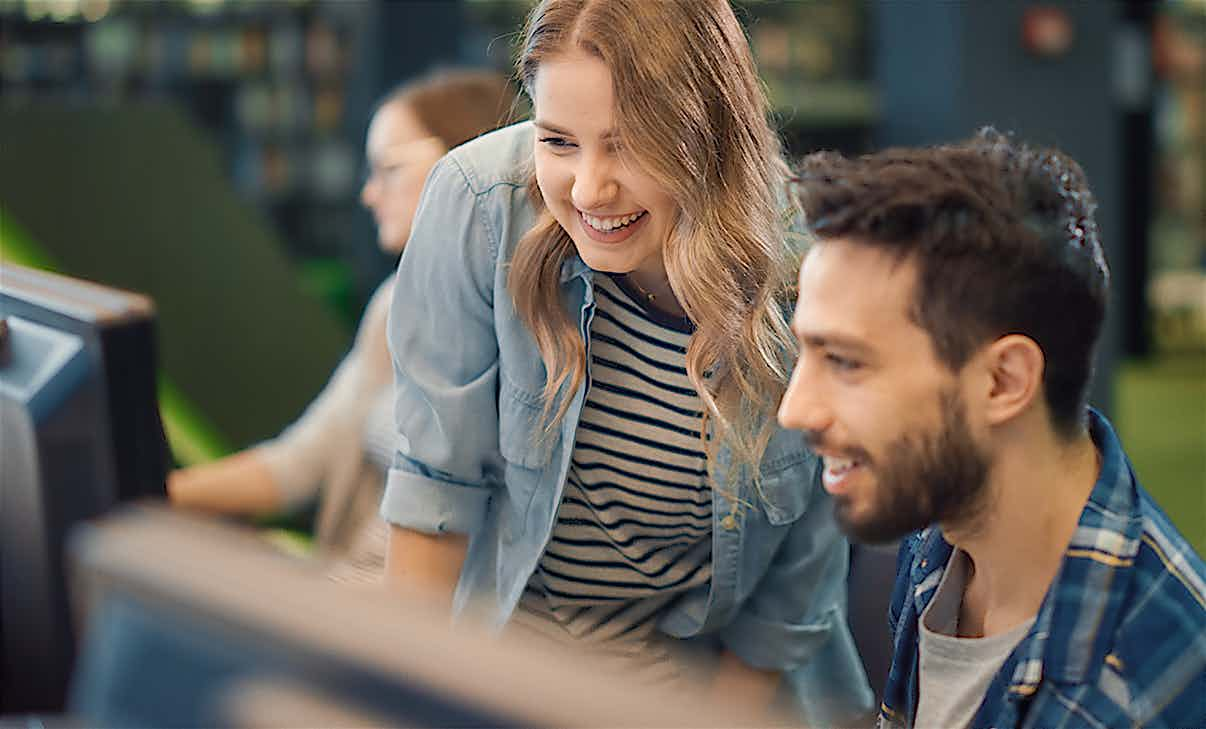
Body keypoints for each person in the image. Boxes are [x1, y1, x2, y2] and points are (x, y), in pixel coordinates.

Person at [380, 0, 871, 723]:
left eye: (630, 144)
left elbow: (798, 579)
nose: (589, 190)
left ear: (709, 136)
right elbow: (435, 494)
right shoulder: (479, 203)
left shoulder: (808, 265)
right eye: (558, 141)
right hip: (501, 667)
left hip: (708, 691)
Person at [779, 129, 1206, 728]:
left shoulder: (1138, 696)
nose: (794, 411)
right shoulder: (944, 533)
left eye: (845, 361)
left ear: (1004, 381)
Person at [168, 69, 516, 578]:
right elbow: (300, 460)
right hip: (337, 583)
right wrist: (143, 495)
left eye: (388, 169)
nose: (369, 195)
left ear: (465, 163)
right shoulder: (394, 304)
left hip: (392, 621)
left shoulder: (524, 330)